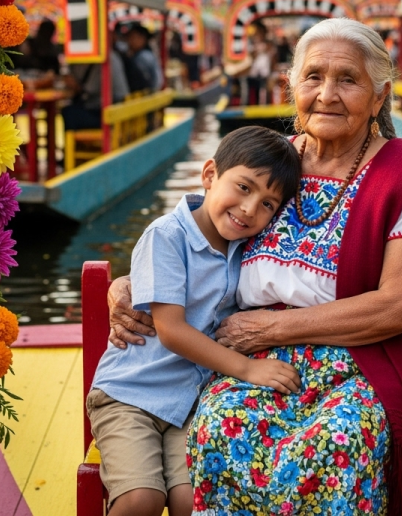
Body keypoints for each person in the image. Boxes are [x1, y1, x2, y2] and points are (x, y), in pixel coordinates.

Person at [108, 19, 402, 515]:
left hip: (371, 358)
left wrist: (273, 327)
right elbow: (192, 236)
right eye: (313, 77)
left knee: (340, 444)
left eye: (347, 79)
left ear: (379, 96)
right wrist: (129, 283)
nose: (327, 94)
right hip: (260, 363)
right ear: (291, 87)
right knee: (219, 424)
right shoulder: (269, 167)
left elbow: (400, 306)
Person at [87, 126, 302, 516]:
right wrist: (247, 368)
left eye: (269, 204)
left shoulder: (247, 249)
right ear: (209, 175)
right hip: (131, 396)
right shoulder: (167, 236)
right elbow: (171, 331)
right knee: (142, 499)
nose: (251, 209)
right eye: (243, 187)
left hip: (189, 403)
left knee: (195, 500)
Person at [127, 25, 163, 92]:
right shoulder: (146, 54)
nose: (129, 41)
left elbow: (145, 83)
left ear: (143, 39)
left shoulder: (142, 57)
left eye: (133, 37)